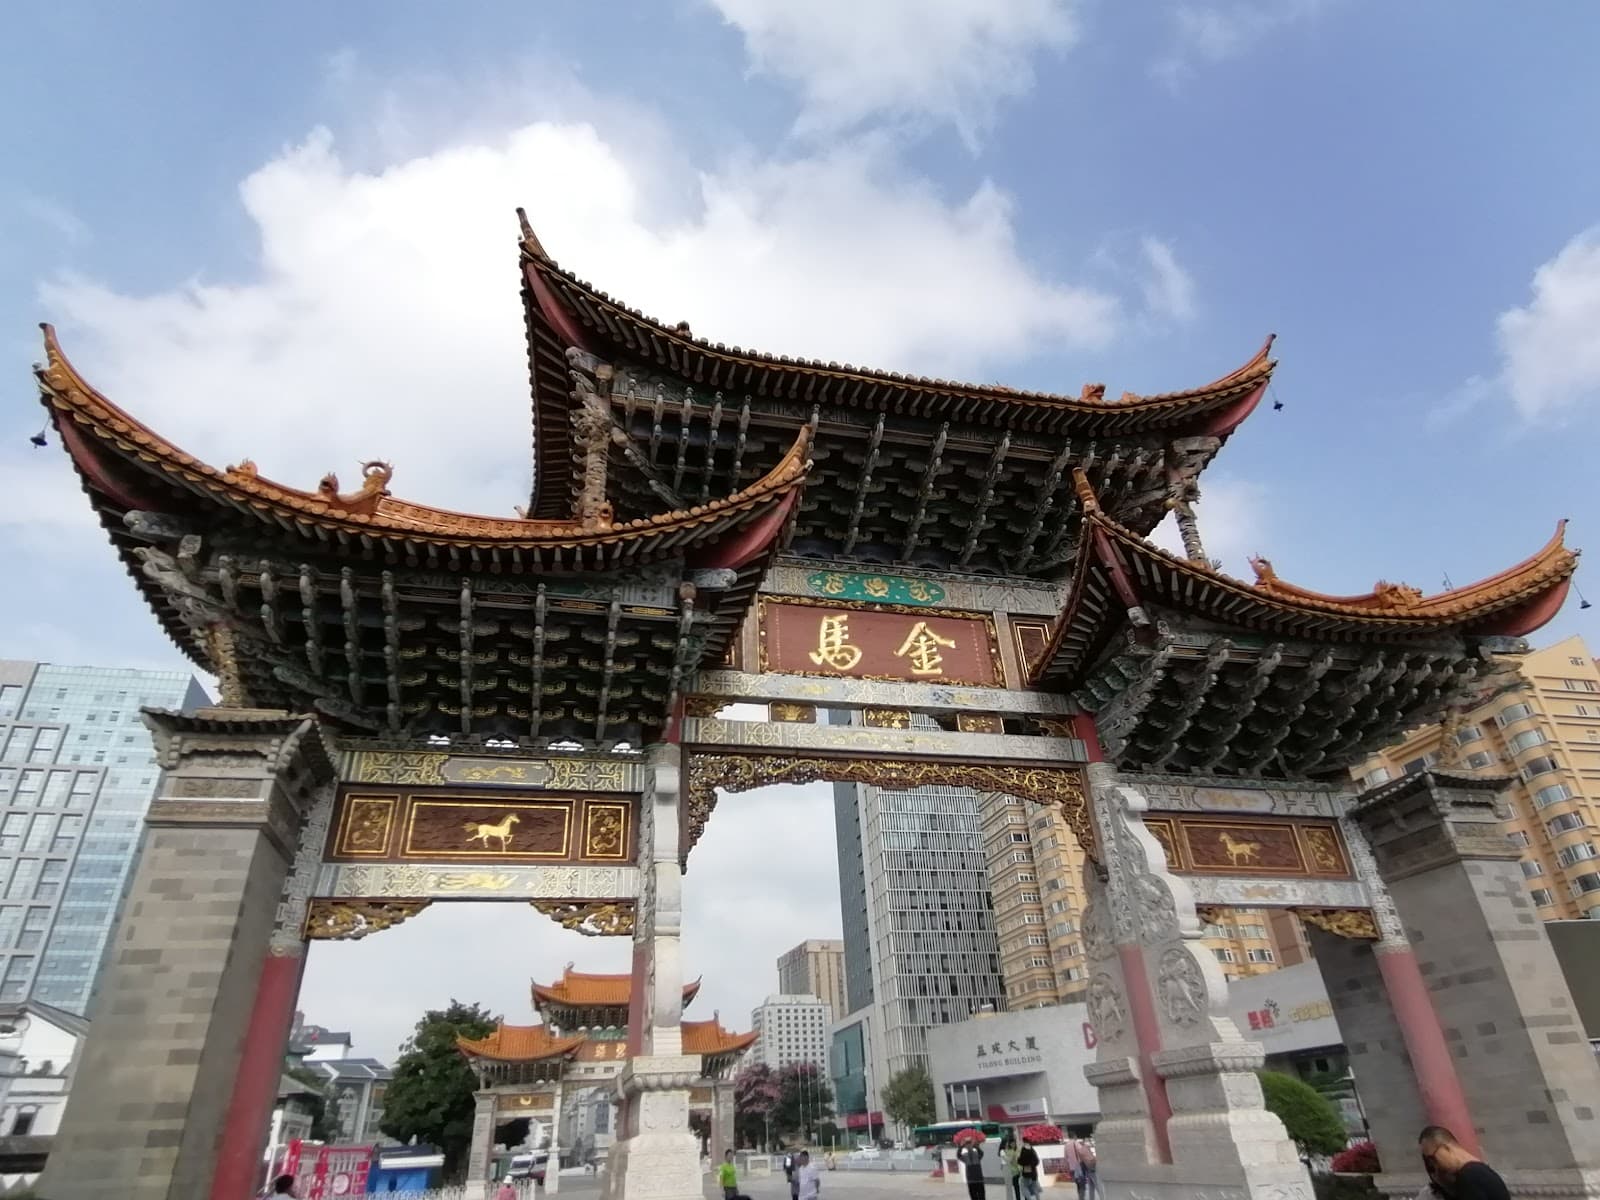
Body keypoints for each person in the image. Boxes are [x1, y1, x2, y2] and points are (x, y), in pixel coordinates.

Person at [1419, 1127, 1508, 1200]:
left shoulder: (1469, 1176)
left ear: (1446, 1148)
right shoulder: (1480, 1172)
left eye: (1432, 1158)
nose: (1434, 1165)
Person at [1000, 1134, 1021, 1200]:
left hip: (1015, 1169)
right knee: (1010, 1186)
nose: (1007, 1144)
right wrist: (1013, 1157)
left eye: (1008, 1143)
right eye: (1007, 1143)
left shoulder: (1015, 1150)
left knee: (1017, 1186)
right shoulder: (1003, 1151)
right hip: (1009, 1169)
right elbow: (1008, 1160)